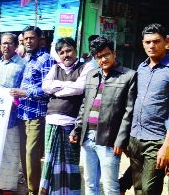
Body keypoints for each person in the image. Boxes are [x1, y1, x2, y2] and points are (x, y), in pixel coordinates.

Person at [69, 36, 136, 195]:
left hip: (109, 140)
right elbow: (85, 105)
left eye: (106, 54)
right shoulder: (92, 75)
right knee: (90, 183)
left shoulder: (129, 76)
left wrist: (121, 140)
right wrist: (77, 129)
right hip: (87, 138)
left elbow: (129, 111)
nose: (102, 59)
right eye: (98, 57)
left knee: (110, 186)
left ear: (113, 53)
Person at [40, 37, 95, 194]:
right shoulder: (55, 68)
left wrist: (56, 91)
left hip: (71, 123)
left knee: (69, 165)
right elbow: (45, 86)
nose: (66, 55)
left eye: (69, 50)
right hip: (51, 121)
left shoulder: (86, 67)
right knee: (51, 163)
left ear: (76, 51)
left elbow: (79, 88)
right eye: (62, 52)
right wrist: (66, 84)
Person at [9, 26, 56, 195]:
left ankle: (34, 191)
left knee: (32, 155)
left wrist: (25, 93)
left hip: (37, 115)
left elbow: (50, 88)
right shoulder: (28, 59)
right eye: (26, 39)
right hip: (23, 112)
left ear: (40, 39)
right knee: (24, 155)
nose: (28, 41)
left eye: (32, 38)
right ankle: (32, 188)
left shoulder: (46, 60)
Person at [129, 23, 169, 194]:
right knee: (138, 188)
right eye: (147, 42)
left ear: (166, 42)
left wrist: (166, 147)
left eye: (156, 41)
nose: (151, 46)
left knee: (149, 190)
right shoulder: (142, 68)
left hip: (157, 140)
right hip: (135, 138)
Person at [0, 32, 26, 194]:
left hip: (12, 117)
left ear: (16, 46)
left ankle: (8, 188)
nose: (6, 46)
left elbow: (24, 89)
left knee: (10, 152)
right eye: (3, 43)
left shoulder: (22, 65)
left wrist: (15, 103)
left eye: (9, 43)